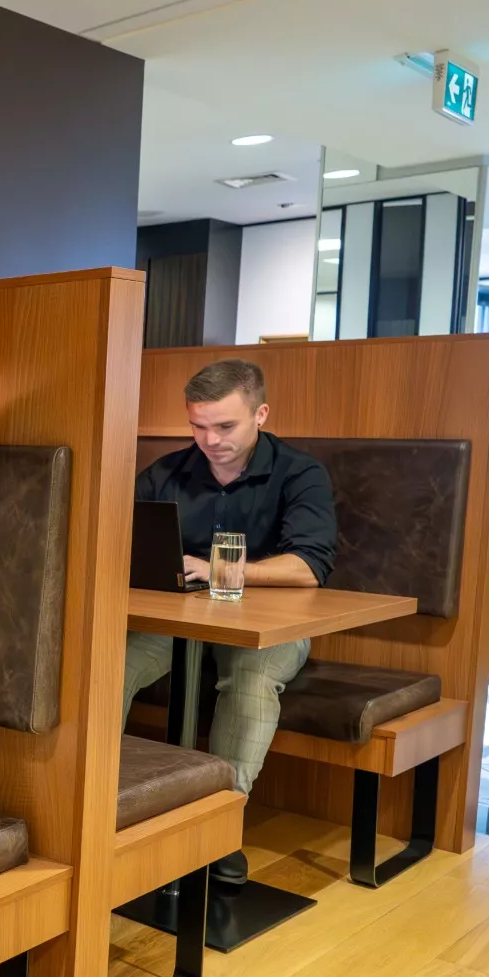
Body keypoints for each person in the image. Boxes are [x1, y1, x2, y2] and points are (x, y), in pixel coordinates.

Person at [123, 359, 338, 879]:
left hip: (272, 627)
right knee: (113, 663)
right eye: (197, 426)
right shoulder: (165, 473)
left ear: (260, 413)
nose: (209, 439)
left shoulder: (300, 472)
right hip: (176, 620)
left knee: (251, 678)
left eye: (224, 426)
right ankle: (107, 811)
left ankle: (217, 829)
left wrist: (216, 568)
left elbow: (310, 566)